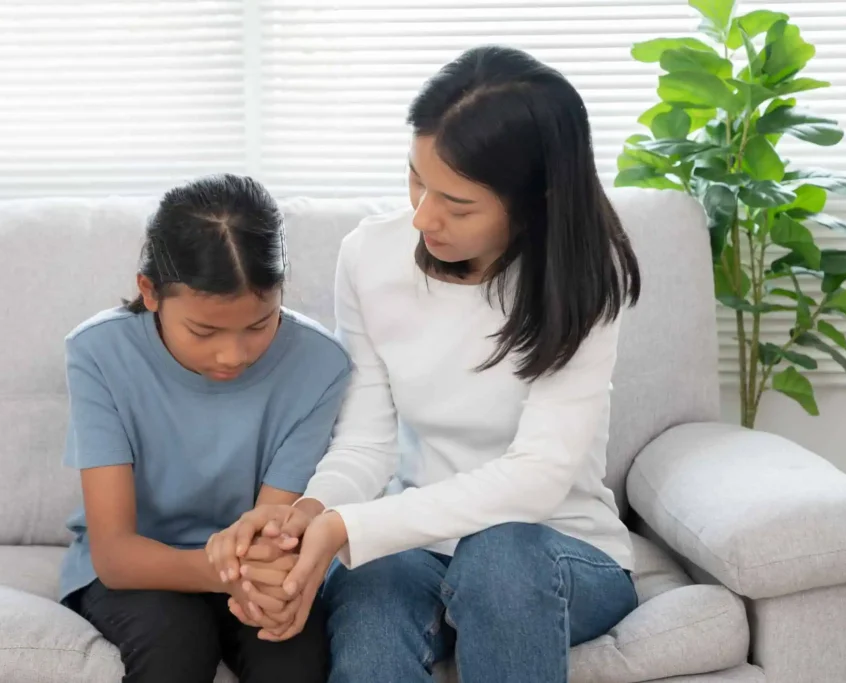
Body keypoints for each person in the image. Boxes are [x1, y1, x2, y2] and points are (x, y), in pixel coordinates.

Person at [208, 46, 642, 682]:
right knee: (373, 589)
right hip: (411, 546)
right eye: (416, 179)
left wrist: (348, 527)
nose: (422, 216)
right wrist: (310, 516)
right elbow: (366, 443)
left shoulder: (584, 277)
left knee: (499, 556)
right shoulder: (368, 256)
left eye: (458, 204)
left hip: (559, 549)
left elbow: (537, 478)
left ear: (537, 199)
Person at [57, 174, 351, 683]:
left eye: (260, 324)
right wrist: (226, 574)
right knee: (175, 641)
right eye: (204, 330)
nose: (233, 355)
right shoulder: (98, 354)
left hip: (259, 570)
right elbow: (116, 554)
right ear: (149, 291)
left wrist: (256, 575)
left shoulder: (321, 364)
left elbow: (272, 531)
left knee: (295, 660)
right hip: (144, 569)